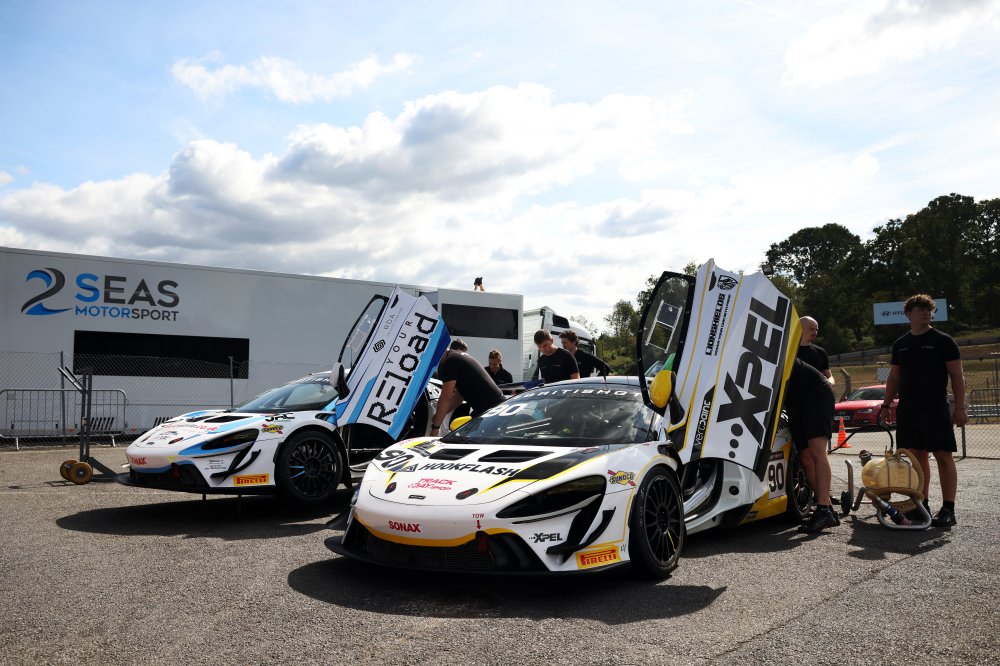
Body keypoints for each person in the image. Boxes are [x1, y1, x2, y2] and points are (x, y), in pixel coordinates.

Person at [881, 294, 966, 528]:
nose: (926, 312)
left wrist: (960, 407)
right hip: (908, 409)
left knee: (943, 456)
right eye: (920, 309)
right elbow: (894, 377)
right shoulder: (901, 344)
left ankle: (948, 509)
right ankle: (921, 506)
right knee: (917, 459)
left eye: (928, 309)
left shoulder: (943, 341)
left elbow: (957, 376)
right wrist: (886, 405)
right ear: (909, 314)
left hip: (935, 407)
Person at [783, 358, 839, 534]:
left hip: (816, 393)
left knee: (817, 452)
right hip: (795, 400)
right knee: (805, 457)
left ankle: (822, 509)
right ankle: (827, 510)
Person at [429, 339, 504, 437]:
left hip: (489, 409)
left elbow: (446, 397)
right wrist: (440, 415)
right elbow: (459, 397)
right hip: (495, 406)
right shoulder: (456, 356)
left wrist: (435, 427)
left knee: (468, 439)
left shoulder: (450, 361)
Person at [798, 316, 834, 385]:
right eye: (812, 329)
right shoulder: (789, 352)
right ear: (800, 329)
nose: (815, 333)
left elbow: (830, 377)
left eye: (816, 330)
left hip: (818, 391)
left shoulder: (821, 352)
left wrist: (829, 382)